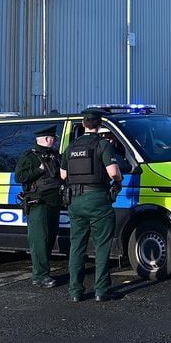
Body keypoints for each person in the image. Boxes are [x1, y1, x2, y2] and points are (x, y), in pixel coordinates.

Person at [61, 109, 122, 302]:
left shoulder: (70, 147)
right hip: (97, 200)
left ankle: (75, 292)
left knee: (77, 247)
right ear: (99, 125)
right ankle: (101, 290)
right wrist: (119, 181)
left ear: (83, 124)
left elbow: (63, 175)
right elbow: (113, 172)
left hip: (75, 202)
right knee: (102, 246)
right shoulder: (102, 145)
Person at [15, 125, 63, 288]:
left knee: (50, 238)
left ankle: (43, 272)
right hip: (38, 203)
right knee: (40, 240)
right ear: (44, 139)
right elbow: (19, 176)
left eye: (54, 138)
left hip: (54, 202)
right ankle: (40, 276)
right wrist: (39, 169)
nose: (54, 140)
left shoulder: (55, 155)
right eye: (52, 138)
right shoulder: (29, 156)